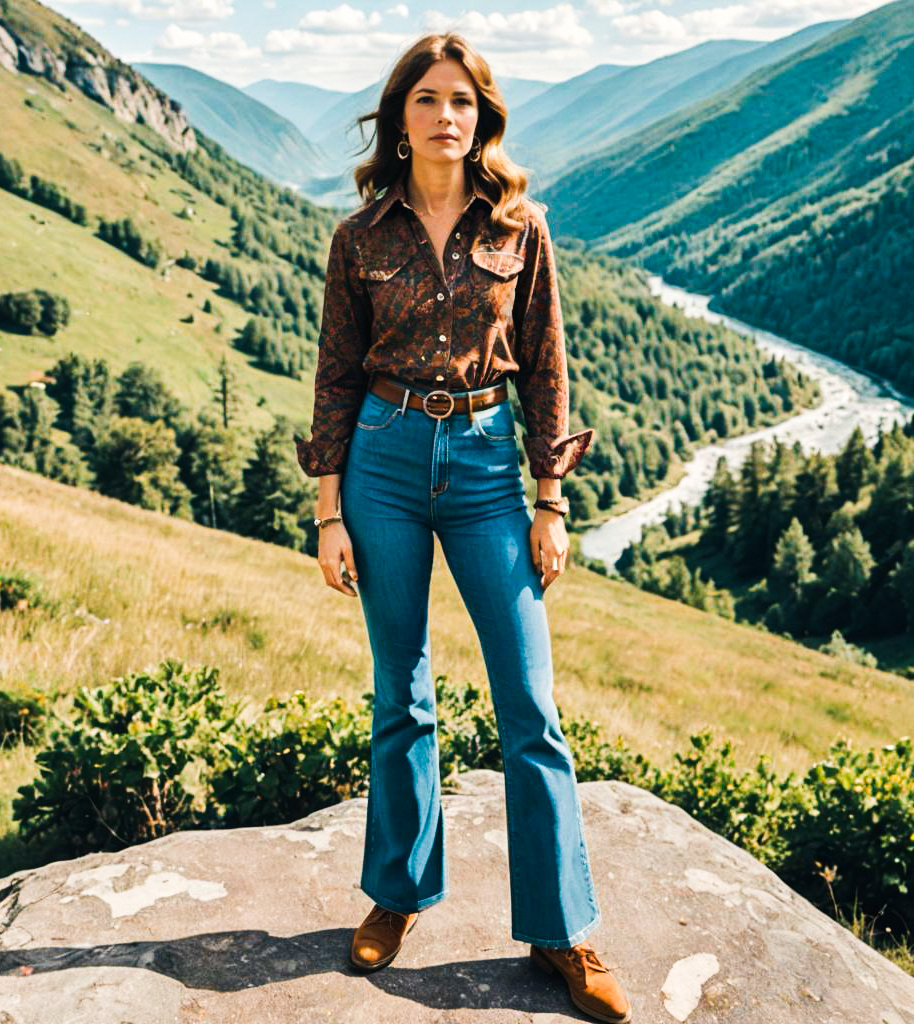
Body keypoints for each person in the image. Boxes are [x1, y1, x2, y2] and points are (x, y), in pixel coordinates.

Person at [294, 31, 632, 1024]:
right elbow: (334, 375)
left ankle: (562, 930)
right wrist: (327, 512)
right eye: (428, 99)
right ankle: (396, 893)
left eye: (464, 101)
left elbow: (549, 369)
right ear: (400, 117)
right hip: (383, 460)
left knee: (529, 705)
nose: (448, 115)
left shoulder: (520, 230)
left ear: (481, 118)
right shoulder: (359, 238)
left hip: (488, 462)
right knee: (402, 692)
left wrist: (551, 500)